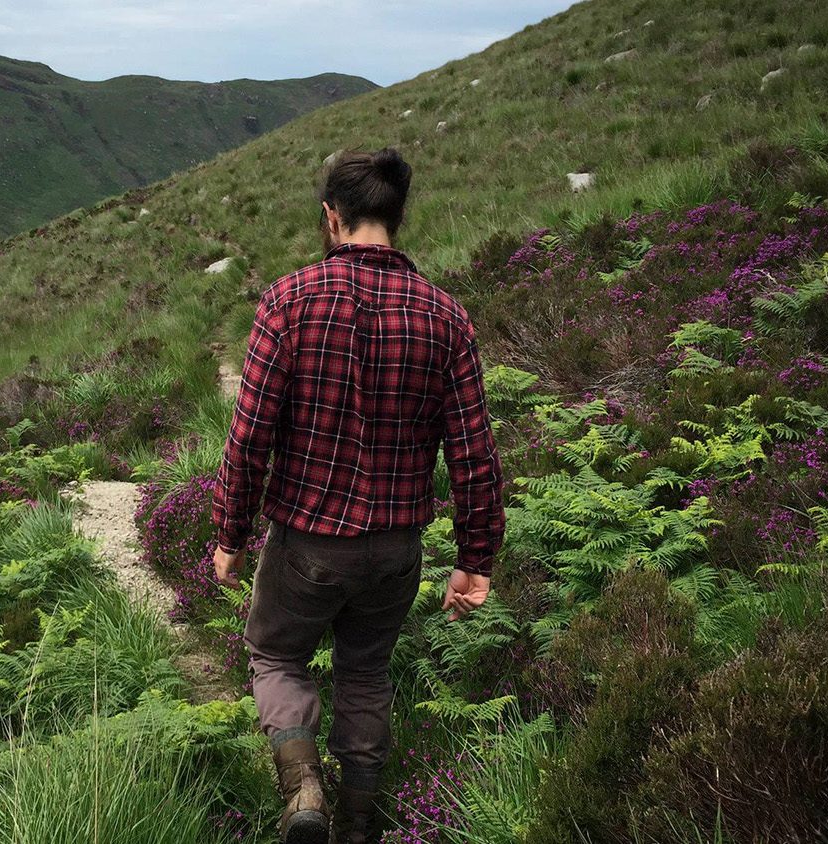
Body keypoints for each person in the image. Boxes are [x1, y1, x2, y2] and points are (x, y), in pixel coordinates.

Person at [210, 147, 506, 844]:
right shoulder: (447, 316)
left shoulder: (288, 301)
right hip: (397, 550)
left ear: (331, 217)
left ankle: (303, 789)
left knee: (277, 656)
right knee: (367, 672)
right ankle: (359, 825)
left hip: (307, 542)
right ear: (397, 219)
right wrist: (476, 559)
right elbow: (474, 456)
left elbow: (249, 438)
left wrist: (229, 536)